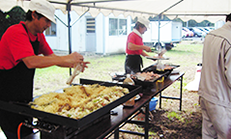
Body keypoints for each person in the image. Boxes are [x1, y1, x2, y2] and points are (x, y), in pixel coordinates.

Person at [0, 0, 89, 138]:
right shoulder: (15, 32)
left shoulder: (38, 35)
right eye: (46, 20)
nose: (49, 25)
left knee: (27, 131)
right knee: (16, 133)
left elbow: (51, 57)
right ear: (34, 15)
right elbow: (31, 61)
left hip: (24, 94)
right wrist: (67, 58)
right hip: (6, 96)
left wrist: (73, 64)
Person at [198, 13, 231, 139]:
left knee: (208, 135)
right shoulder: (229, 39)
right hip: (222, 99)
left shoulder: (211, 35)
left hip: (206, 93)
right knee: (225, 135)